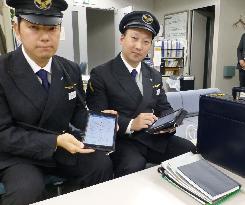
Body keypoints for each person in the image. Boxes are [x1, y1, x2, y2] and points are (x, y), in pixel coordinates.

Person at [0, 0, 113, 205]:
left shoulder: (69, 69)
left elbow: (78, 112)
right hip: (18, 155)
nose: (45, 37)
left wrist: (103, 125)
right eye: (33, 27)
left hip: (61, 148)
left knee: (101, 164)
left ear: (60, 29)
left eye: (52, 28)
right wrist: (53, 142)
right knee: (26, 189)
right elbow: (3, 133)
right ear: (16, 29)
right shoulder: (2, 71)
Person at [86, 11, 196, 178]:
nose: (139, 46)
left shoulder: (154, 75)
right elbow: (97, 120)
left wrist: (169, 122)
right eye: (134, 38)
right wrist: (131, 124)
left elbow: (163, 107)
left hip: (153, 137)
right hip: (122, 140)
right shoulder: (101, 74)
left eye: (146, 42)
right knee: (133, 165)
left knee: (189, 149)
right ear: (122, 39)